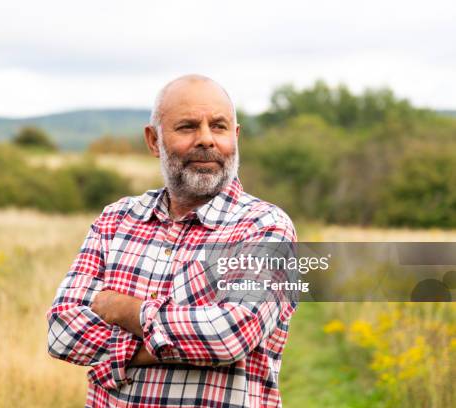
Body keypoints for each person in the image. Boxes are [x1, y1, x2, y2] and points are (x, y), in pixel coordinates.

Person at [47, 74, 297, 407]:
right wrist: (180, 337)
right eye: (187, 127)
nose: (206, 140)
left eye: (219, 127)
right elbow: (62, 332)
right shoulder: (116, 219)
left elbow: (228, 336)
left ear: (236, 137)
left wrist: (125, 311)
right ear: (154, 141)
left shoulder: (264, 227)